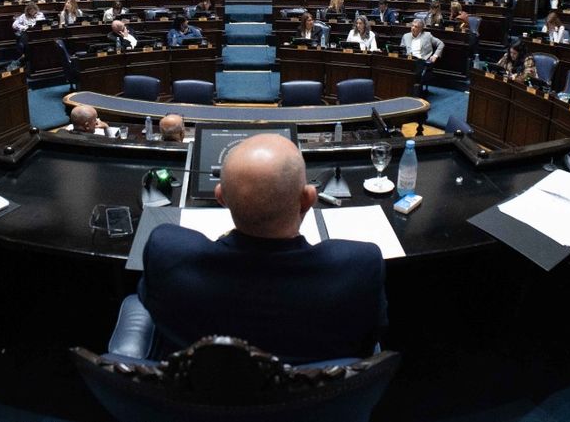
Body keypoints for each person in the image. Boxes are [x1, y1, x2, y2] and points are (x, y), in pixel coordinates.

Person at [138, 133, 386, 362]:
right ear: (308, 198)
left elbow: (149, 301)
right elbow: (369, 338)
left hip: (195, 401)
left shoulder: (166, 250)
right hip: (320, 406)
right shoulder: (360, 266)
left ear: (221, 197)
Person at [400, 18, 444, 95]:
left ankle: (414, 91)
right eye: (412, 26)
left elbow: (441, 44)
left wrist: (435, 55)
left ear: (421, 28)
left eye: (416, 26)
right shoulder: (406, 36)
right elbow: (401, 49)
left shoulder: (427, 35)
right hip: (408, 60)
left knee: (416, 67)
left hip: (421, 60)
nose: (413, 28)